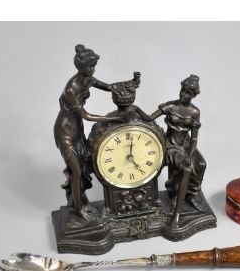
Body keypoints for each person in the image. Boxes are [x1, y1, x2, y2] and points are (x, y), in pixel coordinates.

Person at [54, 44, 131, 219]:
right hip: (65, 132)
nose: (93, 69)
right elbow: (87, 116)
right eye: (90, 66)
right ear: (80, 67)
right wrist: (114, 119)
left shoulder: (88, 79)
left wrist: (129, 83)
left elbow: (110, 87)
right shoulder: (71, 89)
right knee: (77, 171)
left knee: (82, 168)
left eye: (95, 66)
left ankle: (79, 201)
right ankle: (78, 209)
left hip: (77, 129)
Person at [137, 74, 206, 210]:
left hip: (186, 145)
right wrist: (137, 109)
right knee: (185, 167)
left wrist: (190, 155)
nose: (184, 95)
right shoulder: (170, 106)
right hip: (171, 144)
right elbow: (149, 118)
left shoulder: (194, 112)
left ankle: (191, 194)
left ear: (193, 96)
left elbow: (194, 138)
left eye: (188, 93)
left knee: (201, 164)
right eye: (183, 91)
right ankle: (176, 194)